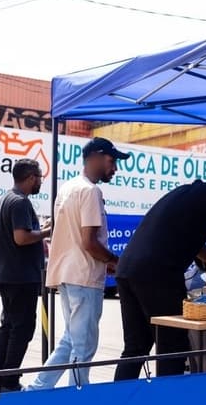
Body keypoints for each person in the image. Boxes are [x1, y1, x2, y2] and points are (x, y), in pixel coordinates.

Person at [113, 168, 206, 381]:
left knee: (135, 347)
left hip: (127, 269)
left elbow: (200, 250)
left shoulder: (187, 194)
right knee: (173, 346)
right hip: (158, 273)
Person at [26, 138, 129, 390]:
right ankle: (78, 400)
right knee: (84, 347)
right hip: (84, 276)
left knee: (70, 341)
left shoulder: (68, 187)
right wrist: (116, 261)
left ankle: (36, 390)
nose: (114, 168)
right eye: (112, 161)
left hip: (68, 275)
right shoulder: (90, 191)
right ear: (96, 156)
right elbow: (89, 242)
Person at [0, 158, 51, 394]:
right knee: (21, 329)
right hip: (20, 276)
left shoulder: (7, 198)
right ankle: (9, 380)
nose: (40, 182)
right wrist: (46, 231)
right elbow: (21, 238)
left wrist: (39, 228)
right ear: (31, 177)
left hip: (7, 273)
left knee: (9, 326)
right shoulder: (20, 202)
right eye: (40, 178)